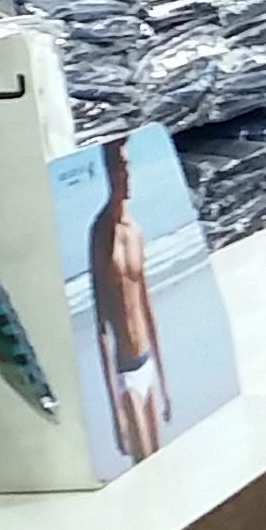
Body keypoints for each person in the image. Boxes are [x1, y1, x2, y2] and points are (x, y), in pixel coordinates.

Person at [89, 137, 169, 463]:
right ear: (108, 171)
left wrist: (164, 383)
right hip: (125, 373)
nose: (126, 175)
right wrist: (115, 412)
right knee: (144, 464)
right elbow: (100, 327)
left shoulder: (135, 230)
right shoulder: (100, 234)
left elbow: (147, 307)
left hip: (146, 359)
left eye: (128, 167)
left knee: (161, 462)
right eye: (119, 167)